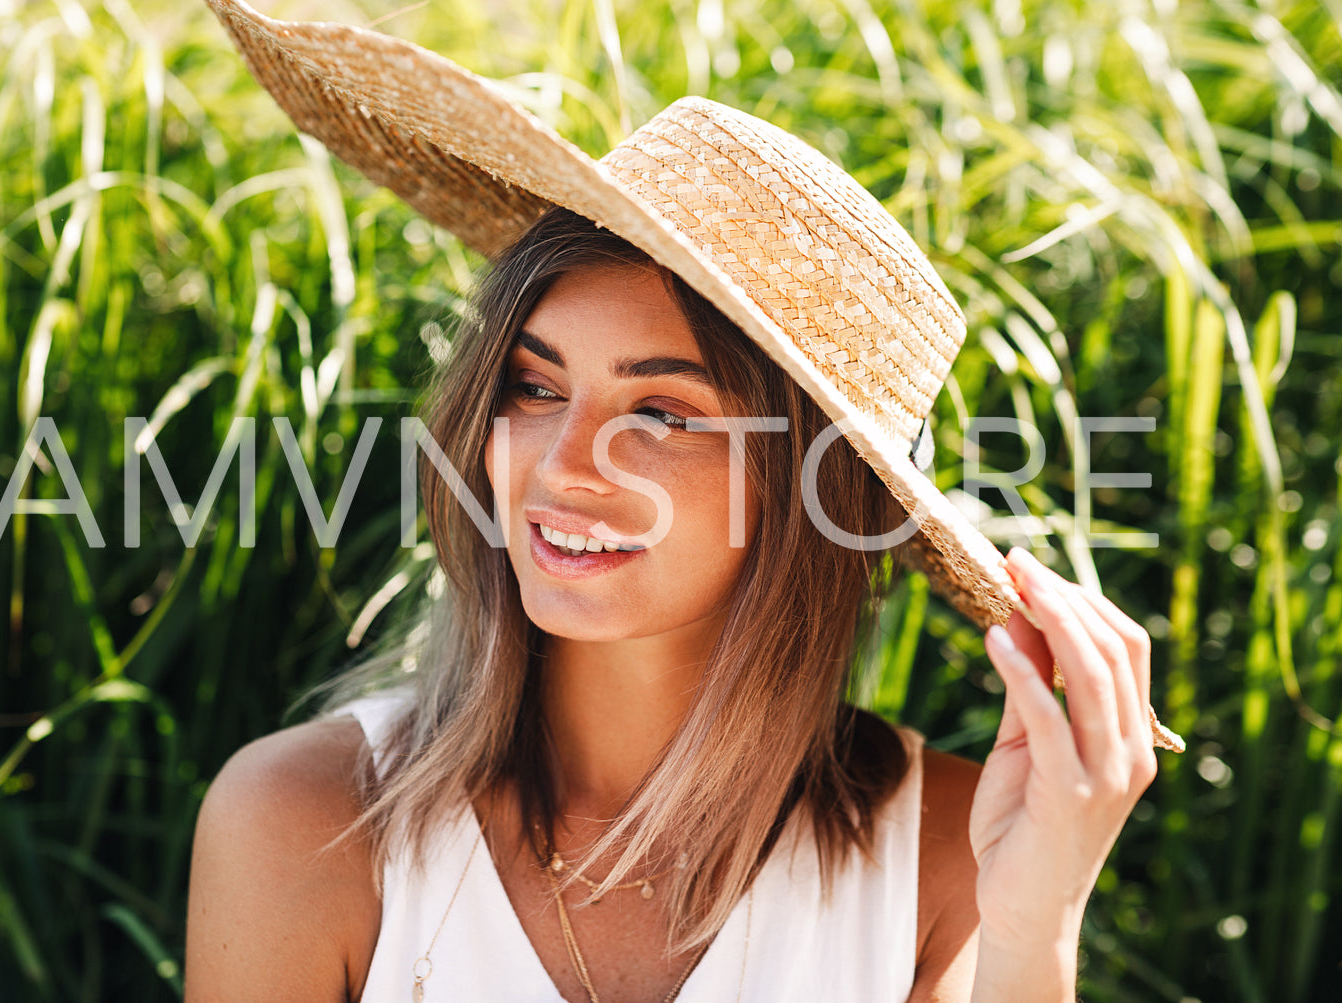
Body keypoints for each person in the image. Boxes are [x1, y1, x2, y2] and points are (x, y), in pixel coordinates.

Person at [187, 4, 1184, 1001]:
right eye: (534, 387)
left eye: (661, 411)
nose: (564, 464)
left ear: (818, 489)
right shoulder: (302, 823)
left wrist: (1032, 928)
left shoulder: (953, 860)